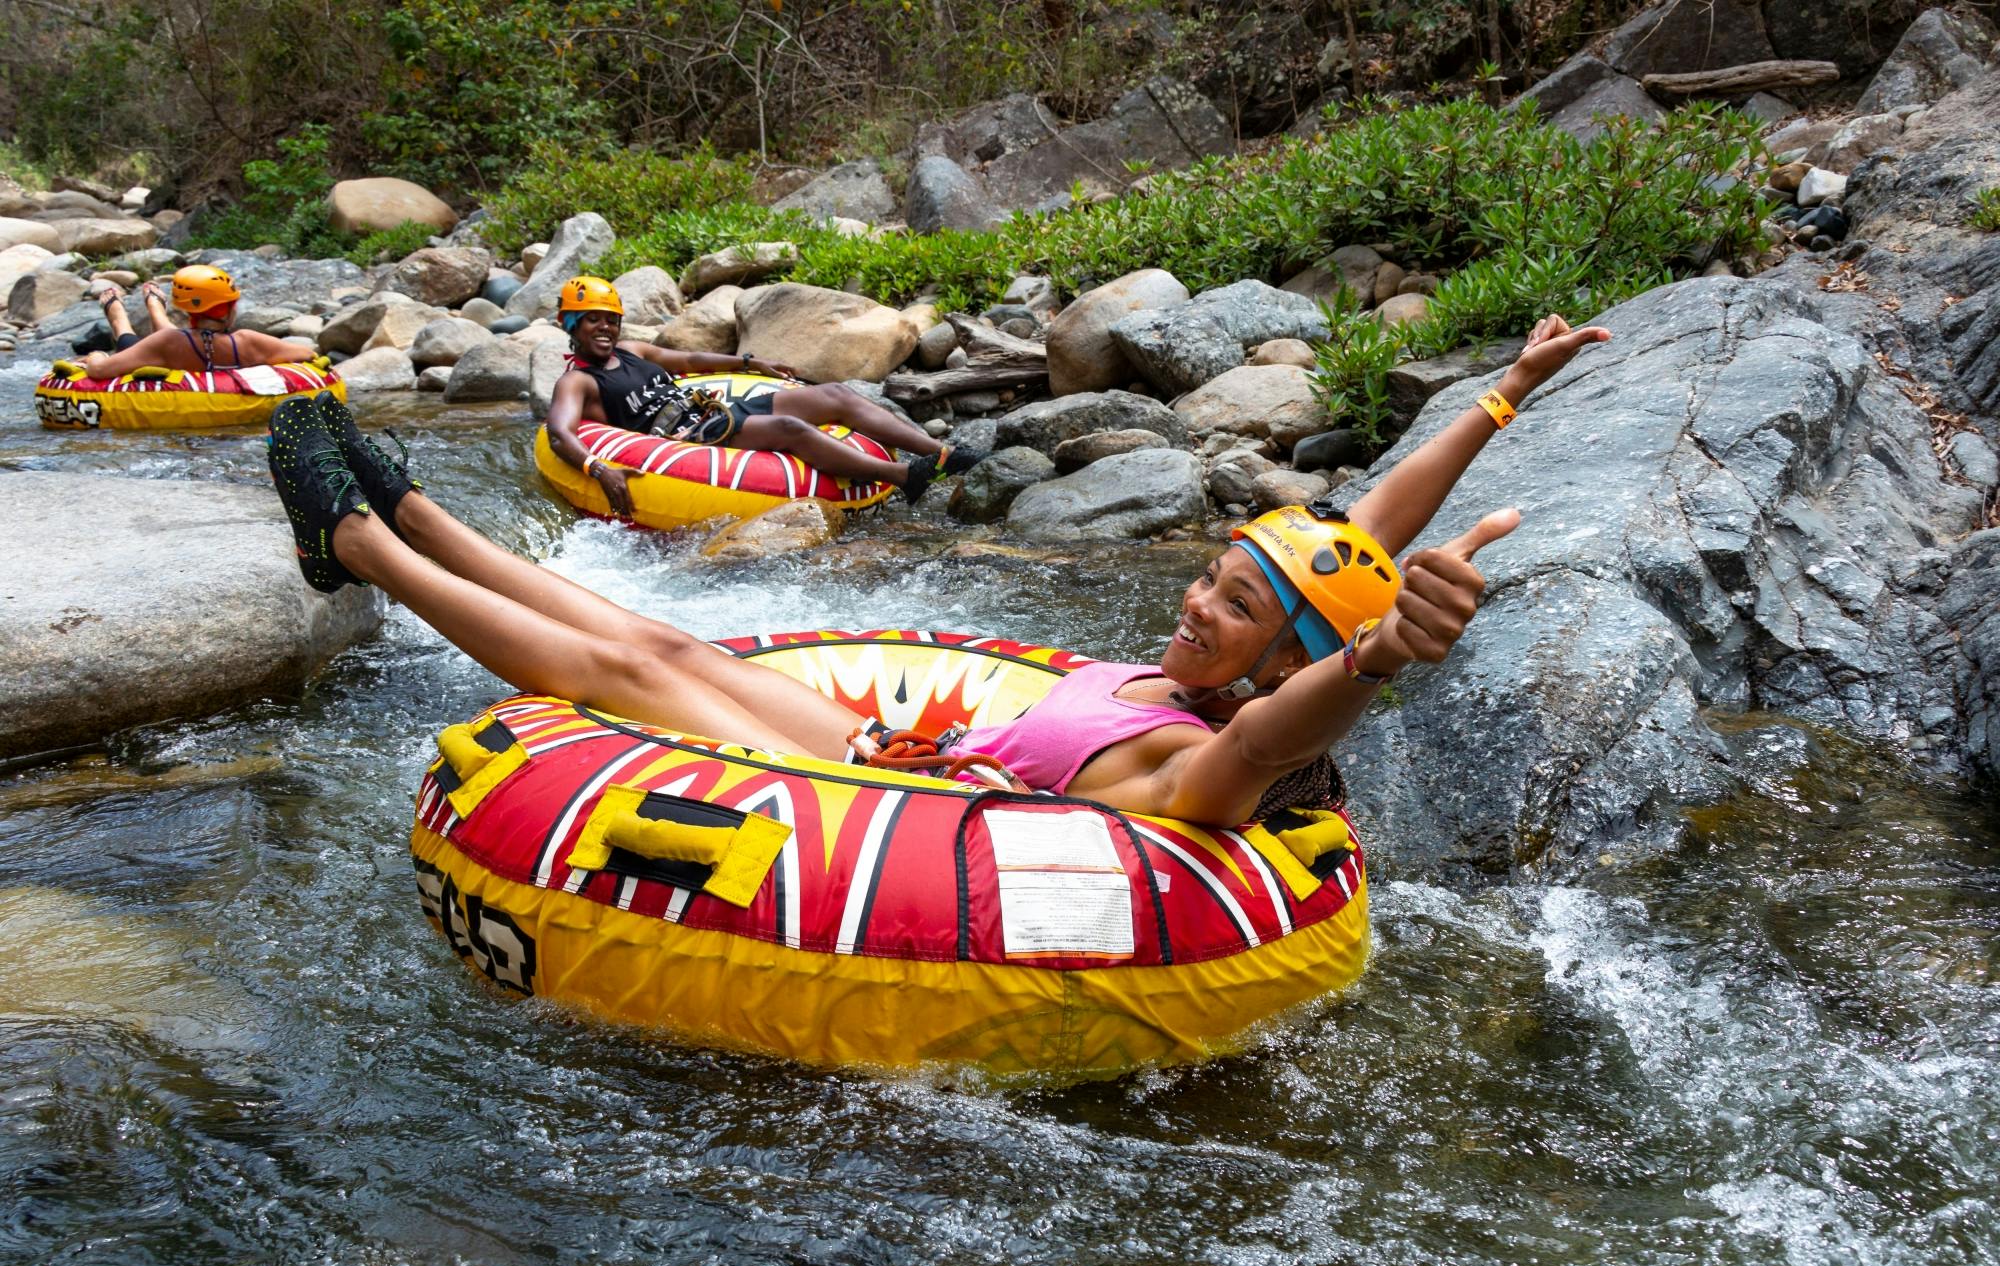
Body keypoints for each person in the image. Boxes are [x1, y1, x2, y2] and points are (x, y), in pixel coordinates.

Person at [266, 314, 1609, 827]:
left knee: (627, 672)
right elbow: (1358, 532)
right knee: (673, 649)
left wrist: (1380, 656)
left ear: (1288, 661)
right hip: (913, 752)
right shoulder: (1219, 667)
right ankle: (424, 511)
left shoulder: (1221, 757)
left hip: (878, 809)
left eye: (1235, 607)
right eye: (1210, 575)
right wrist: (1502, 397)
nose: (1197, 600)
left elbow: (1296, 711)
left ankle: (359, 545)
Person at [544, 276, 980, 514]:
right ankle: (907, 477)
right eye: (592, 321)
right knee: (789, 428)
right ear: (572, 326)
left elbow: (693, 359)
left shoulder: (632, 350)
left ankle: (941, 453)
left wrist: (752, 364)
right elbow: (561, 433)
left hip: (713, 410)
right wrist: (600, 470)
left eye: (610, 320)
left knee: (832, 394)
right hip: (686, 437)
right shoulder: (578, 382)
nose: (604, 328)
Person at [80, 264, 319, 379]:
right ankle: (144, 309)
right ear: (230, 308)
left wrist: (97, 354)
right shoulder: (249, 341)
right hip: (177, 345)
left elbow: (99, 369)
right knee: (167, 336)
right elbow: (308, 354)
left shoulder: (166, 342)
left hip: (170, 349)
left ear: (185, 310)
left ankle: (126, 313)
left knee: (138, 341)